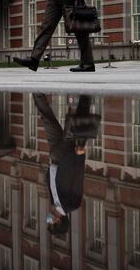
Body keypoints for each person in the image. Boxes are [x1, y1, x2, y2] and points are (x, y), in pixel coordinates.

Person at [33, 93, 97, 236]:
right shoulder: (72, 204)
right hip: (67, 155)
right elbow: (77, 180)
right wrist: (80, 157)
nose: (47, 219)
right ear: (58, 221)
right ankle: (84, 92)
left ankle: (36, 92)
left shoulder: (54, 201)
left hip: (55, 154)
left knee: (47, 119)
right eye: (49, 222)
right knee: (73, 119)